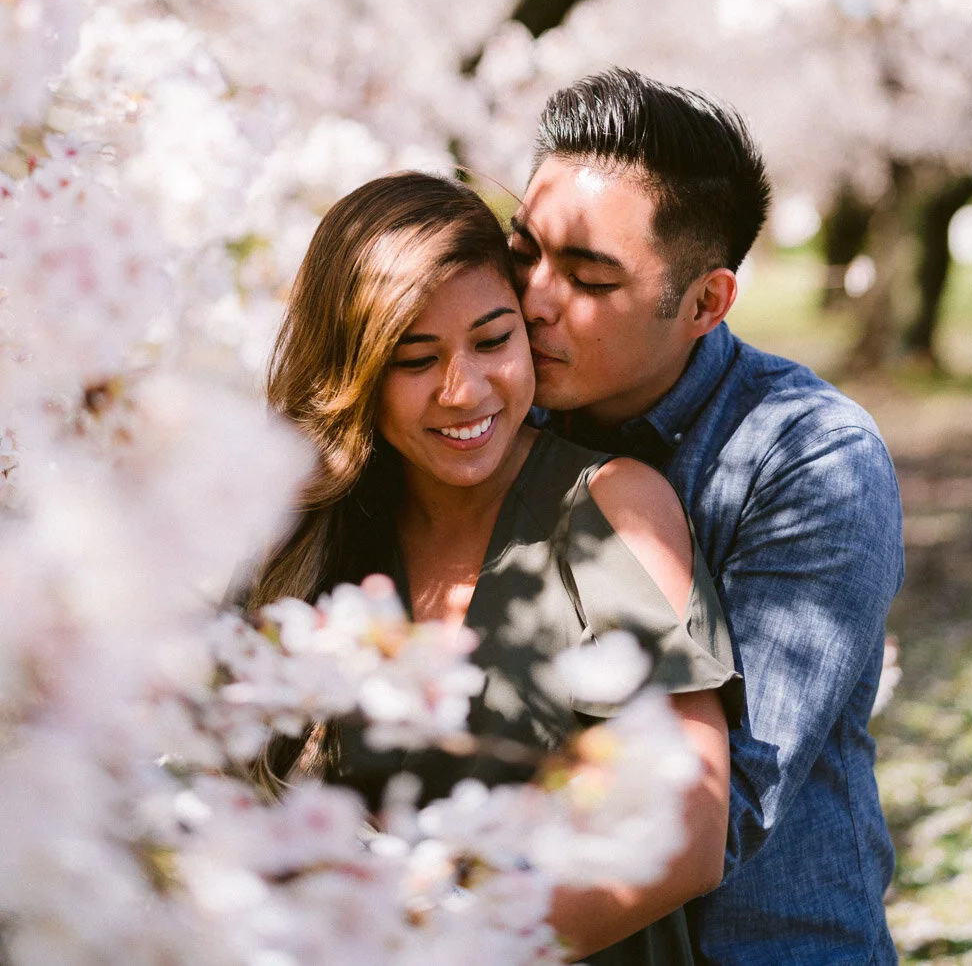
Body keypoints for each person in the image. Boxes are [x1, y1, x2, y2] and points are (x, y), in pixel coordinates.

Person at [246, 170, 744, 965]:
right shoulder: (306, 536)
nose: (463, 390)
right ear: (356, 371)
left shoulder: (609, 508)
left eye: (491, 341)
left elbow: (688, 834)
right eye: (414, 359)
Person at [509, 68, 905, 966]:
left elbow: (726, 807)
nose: (534, 297)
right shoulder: (495, 418)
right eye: (524, 251)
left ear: (705, 302)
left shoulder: (810, 459)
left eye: (586, 276)